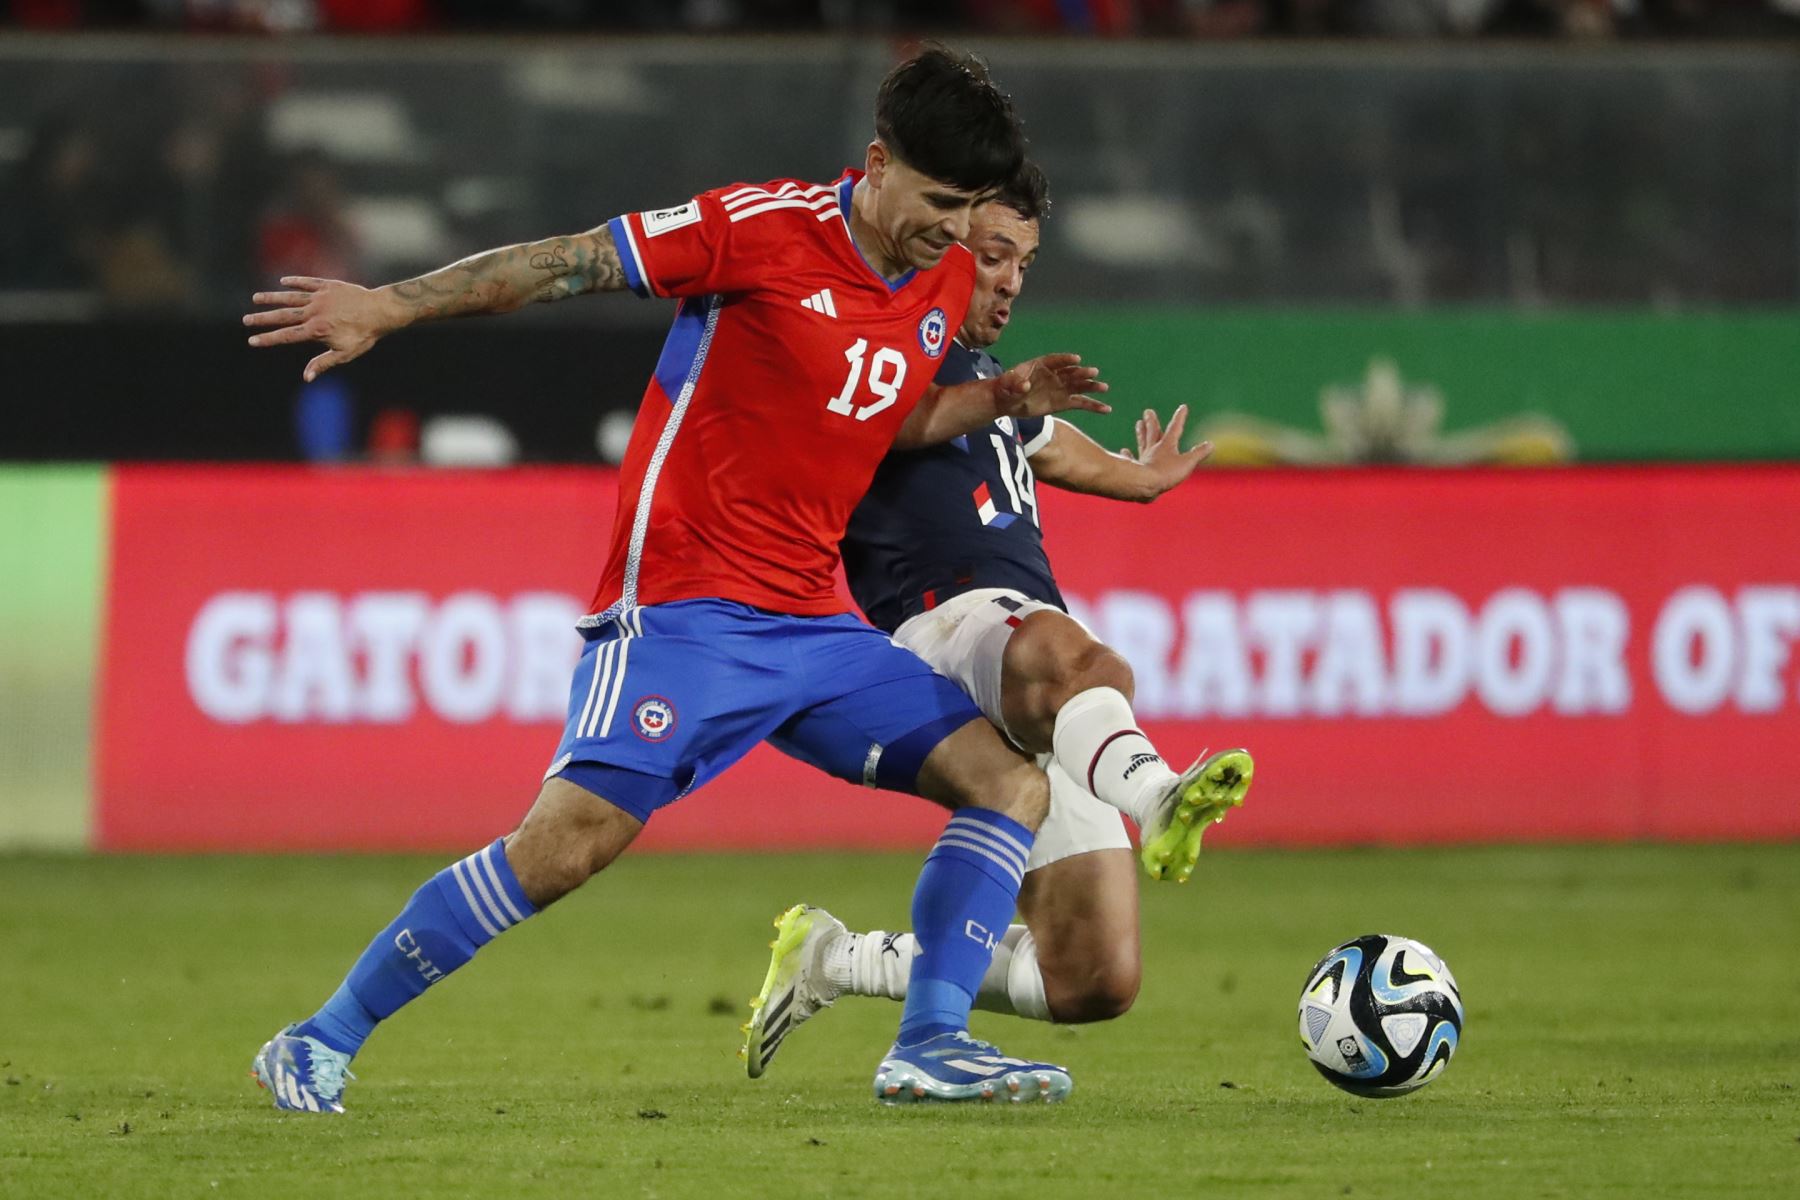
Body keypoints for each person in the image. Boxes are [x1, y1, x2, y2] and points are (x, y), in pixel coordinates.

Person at [241, 46, 1114, 1112]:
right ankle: (318, 1038)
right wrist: (392, 306)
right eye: (938, 200)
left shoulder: (936, 275)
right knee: (564, 849)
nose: (953, 229)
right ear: (877, 162)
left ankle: (928, 1044)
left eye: (970, 206)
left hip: (813, 625)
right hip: (683, 615)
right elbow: (567, 262)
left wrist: (1004, 395)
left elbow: (891, 416)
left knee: (1009, 783)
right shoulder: (758, 230)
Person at [741, 164, 1252, 1077]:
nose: (1012, 278)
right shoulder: (883, 346)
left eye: (1025, 261)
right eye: (994, 255)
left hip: (1018, 648)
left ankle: (833, 957)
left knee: (1091, 978)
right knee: (1088, 667)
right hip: (943, 622)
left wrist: (1141, 478)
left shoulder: (989, 381)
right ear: (939, 246)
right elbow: (882, 423)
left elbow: (1052, 448)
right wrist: (1009, 397)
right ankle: (1158, 795)